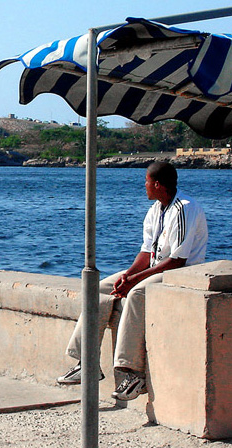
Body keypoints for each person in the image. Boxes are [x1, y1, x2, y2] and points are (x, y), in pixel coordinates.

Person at [57, 161, 208, 401]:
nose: (144, 187)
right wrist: (128, 274)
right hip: (154, 269)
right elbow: (146, 252)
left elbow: (178, 260)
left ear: (157, 184)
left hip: (180, 274)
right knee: (98, 288)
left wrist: (135, 281)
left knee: (136, 295)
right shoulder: (155, 211)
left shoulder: (184, 209)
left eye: (146, 182)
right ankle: (87, 363)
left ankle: (133, 372)